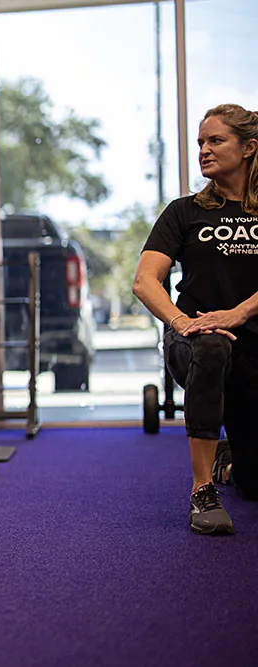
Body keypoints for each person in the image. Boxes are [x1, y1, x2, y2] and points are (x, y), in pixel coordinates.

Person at [133, 103, 258, 536]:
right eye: (201, 142)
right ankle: (202, 490)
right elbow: (146, 281)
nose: (203, 150)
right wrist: (182, 322)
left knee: (254, 482)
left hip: (253, 345)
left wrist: (239, 313)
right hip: (196, 343)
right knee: (212, 343)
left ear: (248, 148)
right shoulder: (184, 212)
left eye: (215, 140)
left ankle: (229, 455)